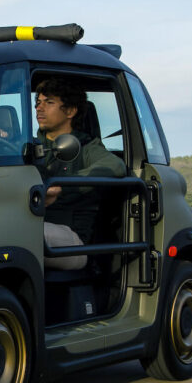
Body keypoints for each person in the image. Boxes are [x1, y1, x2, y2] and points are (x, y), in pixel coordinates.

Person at [34, 78, 126, 270]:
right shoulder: (30, 147)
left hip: (72, 239)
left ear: (70, 111)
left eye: (49, 102)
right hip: (31, 221)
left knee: (13, 235)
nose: (39, 108)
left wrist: (63, 187)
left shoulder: (87, 147)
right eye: (38, 103)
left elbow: (115, 165)